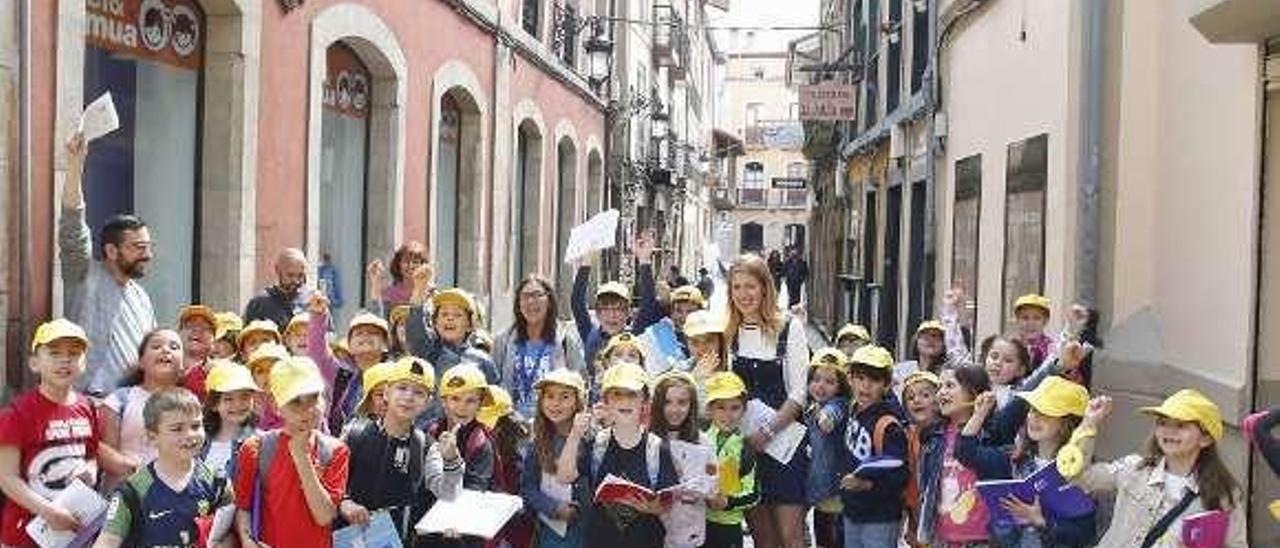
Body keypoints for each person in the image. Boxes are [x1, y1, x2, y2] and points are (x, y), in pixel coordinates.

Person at [1063, 391, 1247, 547]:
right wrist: (1089, 423)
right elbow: (1078, 476)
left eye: (1181, 426)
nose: (1168, 431)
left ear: (1205, 439)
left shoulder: (1225, 494)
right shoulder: (1133, 468)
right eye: (1162, 423)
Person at [0, 320, 122, 546]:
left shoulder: (87, 407)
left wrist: (90, 470)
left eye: (74, 353)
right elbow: (6, 478)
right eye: (54, 353)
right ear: (34, 362)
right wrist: (47, 512)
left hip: (74, 531)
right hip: (23, 535)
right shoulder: (15, 413)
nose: (65, 360)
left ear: (84, 363)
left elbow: (91, 454)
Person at [59, 133, 157, 396]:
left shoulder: (141, 298)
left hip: (128, 409)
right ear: (111, 251)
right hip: (86, 404)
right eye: (138, 247)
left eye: (148, 247)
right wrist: (74, 166)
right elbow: (71, 224)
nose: (148, 255)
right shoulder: (83, 275)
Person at [724, 253, 810, 548]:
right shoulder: (728, 334)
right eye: (737, 287)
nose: (744, 294)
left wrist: (768, 431)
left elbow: (799, 393)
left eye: (750, 286)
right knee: (763, 539)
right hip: (746, 448)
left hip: (785, 446)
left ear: (765, 287)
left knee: (791, 538)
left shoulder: (789, 328)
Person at [338, 356, 465, 546]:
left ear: (428, 402)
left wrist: (451, 461)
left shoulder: (427, 447)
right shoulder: (354, 433)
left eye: (419, 392)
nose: (408, 397)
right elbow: (330, 482)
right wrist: (344, 503)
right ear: (387, 392)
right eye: (402, 387)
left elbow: (449, 494)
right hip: (349, 538)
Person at [233, 356, 350, 548]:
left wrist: (301, 457)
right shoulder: (255, 448)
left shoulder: (336, 450)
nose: (307, 409)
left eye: (314, 397)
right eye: (295, 401)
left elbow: (324, 516)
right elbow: (243, 507)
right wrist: (247, 541)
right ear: (275, 404)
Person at [94, 389, 234, 548]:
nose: (190, 434)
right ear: (152, 437)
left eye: (196, 426)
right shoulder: (132, 490)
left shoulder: (217, 482)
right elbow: (108, 540)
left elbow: (229, 534)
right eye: (177, 429)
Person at [981, 376, 1097, 547]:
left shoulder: (1080, 473)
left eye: (1046, 413)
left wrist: (1041, 521)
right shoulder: (1016, 459)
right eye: (1033, 410)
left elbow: (1084, 536)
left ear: (1067, 424)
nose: (1034, 417)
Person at [574, 363, 678, 548]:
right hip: (600, 540)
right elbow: (564, 476)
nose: (625, 401)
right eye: (617, 394)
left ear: (645, 402)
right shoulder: (596, 444)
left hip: (646, 540)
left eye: (632, 394)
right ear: (606, 401)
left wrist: (652, 508)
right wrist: (575, 434)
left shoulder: (657, 448)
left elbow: (668, 501)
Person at [917, 365, 1006, 546]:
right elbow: (926, 489)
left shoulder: (991, 435)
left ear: (974, 393)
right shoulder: (934, 437)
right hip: (942, 538)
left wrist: (981, 412)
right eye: (940, 387)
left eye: (950, 386)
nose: (941, 392)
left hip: (982, 538)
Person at [838, 345, 910, 548]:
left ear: (887, 386)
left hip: (880, 516)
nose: (866, 385)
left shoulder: (888, 424)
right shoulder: (854, 410)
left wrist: (867, 485)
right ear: (850, 379)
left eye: (874, 380)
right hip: (853, 510)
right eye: (860, 378)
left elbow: (900, 474)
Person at [494, 274, 587, 419]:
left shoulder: (565, 340)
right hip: (512, 428)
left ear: (549, 300)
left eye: (538, 295)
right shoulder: (503, 340)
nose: (531, 301)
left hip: (553, 426)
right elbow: (493, 384)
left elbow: (580, 385)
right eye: (525, 296)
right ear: (518, 303)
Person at [101, 328, 186, 479]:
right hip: (125, 495)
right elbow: (102, 450)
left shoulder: (189, 403)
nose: (165, 350)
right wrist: (128, 467)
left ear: (182, 365)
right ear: (141, 362)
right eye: (156, 346)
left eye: (174, 347)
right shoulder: (119, 400)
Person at [571, 233, 662, 370]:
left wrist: (644, 261)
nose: (612, 315)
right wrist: (586, 263)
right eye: (606, 309)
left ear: (628, 314)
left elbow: (649, 303)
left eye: (619, 309)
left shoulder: (634, 335)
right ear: (598, 314)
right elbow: (577, 302)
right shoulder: (590, 334)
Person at [522, 369, 591, 548]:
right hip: (554, 531)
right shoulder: (538, 442)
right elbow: (528, 487)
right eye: (550, 396)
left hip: (590, 529)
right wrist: (552, 507)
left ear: (578, 401)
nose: (555, 403)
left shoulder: (592, 438)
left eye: (565, 396)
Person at [306, 292, 390, 432]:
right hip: (342, 446)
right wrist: (318, 316)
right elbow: (317, 351)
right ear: (349, 345)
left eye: (372, 332)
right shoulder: (341, 373)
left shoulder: (395, 375)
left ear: (386, 345)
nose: (365, 336)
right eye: (358, 333)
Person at [404, 263, 499, 381]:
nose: (449, 319)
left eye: (457, 315)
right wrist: (419, 290)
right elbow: (415, 332)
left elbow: (495, 395)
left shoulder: (483, 360)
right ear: (435, 323)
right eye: (444, 314)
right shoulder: (429, 351)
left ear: (470, 326)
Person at [650, 370, 710, 548]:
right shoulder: (647, 440)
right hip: (652, 532)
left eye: (682, 402)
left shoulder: (703, 442)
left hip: (690, 536)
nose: (674, 409)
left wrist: (711, 491)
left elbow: (719, 500)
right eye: (667, 402)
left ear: (692, 405)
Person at [702, 371, 758, 548]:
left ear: (744, 409)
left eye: (735, 407)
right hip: (696, 520)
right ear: (710, 409)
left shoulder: (745, 449)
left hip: (728, 527)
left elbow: (753, 494)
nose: (728, 414)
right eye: (721, 407)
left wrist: (728, 502)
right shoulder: (699, 439)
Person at [804, 348, 852, 548]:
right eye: (816, 379)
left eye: (830, 381)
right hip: (821, 495)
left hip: (836, 495)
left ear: (840, 386)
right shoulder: (812, 407)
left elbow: (829, 420)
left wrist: (824, 417)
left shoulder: (838, 404)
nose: (820, 386)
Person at [201, 360, 260, 478]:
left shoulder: (261, 443)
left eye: (244, 397)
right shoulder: (198, 440)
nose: (238, 405)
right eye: (228, 399)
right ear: (214, 404)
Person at [639, 285, 705, 376]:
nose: (684, 317)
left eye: (690, 311)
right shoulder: (656, 334)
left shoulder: (710, 336)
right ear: (671, 312)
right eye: (678, 311)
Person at [243, 248, 309, 329]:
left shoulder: (311, 301)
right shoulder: (259, 303)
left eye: (300, 275)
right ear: (277, 270)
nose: (296, 281)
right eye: (290, 275)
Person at [366, 241, 429, 313]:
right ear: (398, 265)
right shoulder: (388, 294)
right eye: (406, 261)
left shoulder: (430, 293)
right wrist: (375, 281)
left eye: (415, 262)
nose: (411, 266)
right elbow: (378, 316)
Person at [178, 304, 218, 399]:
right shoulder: (166, 368)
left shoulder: (219, 373)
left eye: (205, 328)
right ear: (179, 333)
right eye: (190, 326)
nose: (197, 331)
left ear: (214, 340)